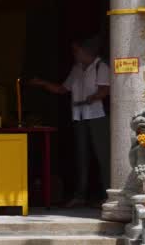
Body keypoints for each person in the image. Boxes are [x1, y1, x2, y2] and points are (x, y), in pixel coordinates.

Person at [29, 36, 110, 208]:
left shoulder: (100, 66)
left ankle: (107, 194)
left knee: (103, 156)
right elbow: (62, 89)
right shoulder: (77, 69)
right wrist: (41, 83)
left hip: (97, 116)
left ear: (85, 51)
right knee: (81, 156)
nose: (73, 54)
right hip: (79, 116)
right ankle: (80, 195)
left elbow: (106, 90)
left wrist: (93, 97)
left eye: (76, 50)